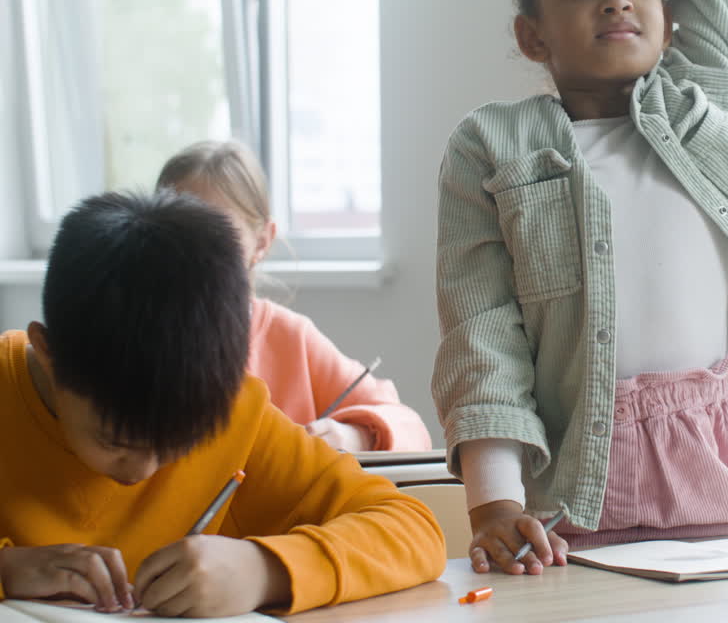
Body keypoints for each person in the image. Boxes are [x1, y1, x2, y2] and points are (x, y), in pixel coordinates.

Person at [432, 0, 728, 576]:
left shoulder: (711, 103)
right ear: (532, 35)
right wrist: (494, 506)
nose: (615, 2)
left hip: (719, 495)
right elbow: (482, 339)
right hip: (569, 516)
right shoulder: (491, 146)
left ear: (669, 14)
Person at [0, 191, 445, 617]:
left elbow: (413, 531)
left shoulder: (235, 414)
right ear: (50, 354)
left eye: (179, 442)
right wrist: (7, 570)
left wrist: (265, 570)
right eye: (114, 441)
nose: (142, 472)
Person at [157, 140, 431, 452]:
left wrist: (354, 436)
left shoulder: (291, 338)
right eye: (176, 234)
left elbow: (411, 429)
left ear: (262, 241)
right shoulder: (136, 338)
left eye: (217, 234)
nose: (193, 254)